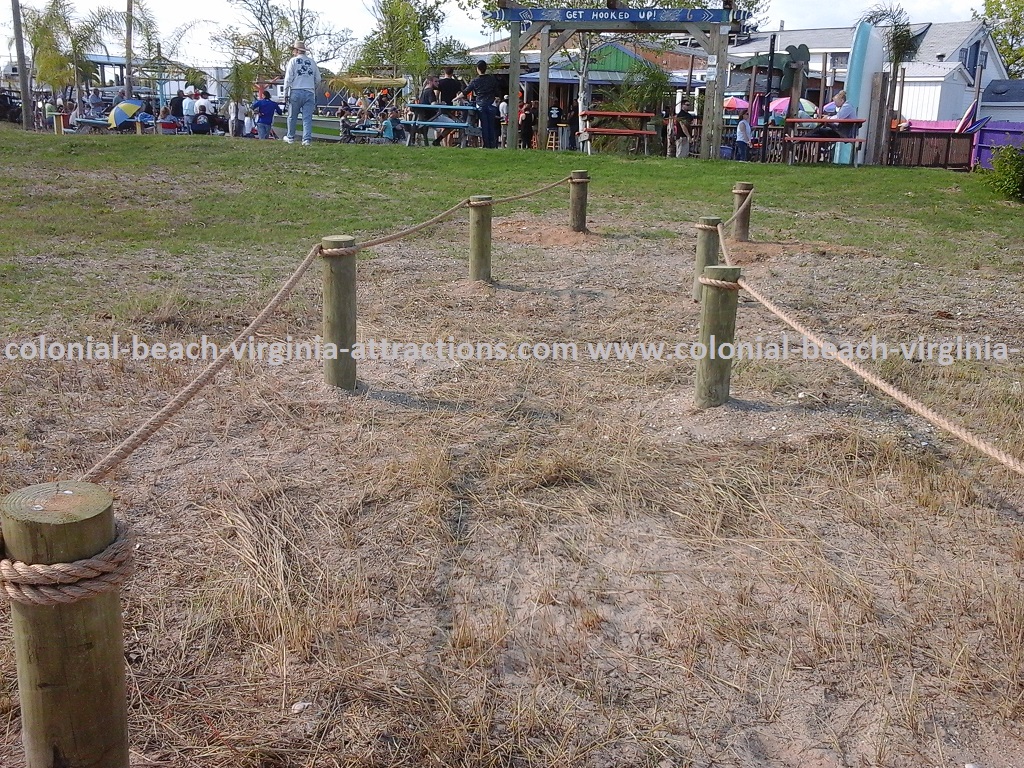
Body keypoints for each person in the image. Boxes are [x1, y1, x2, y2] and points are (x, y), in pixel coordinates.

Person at [283, 40, 322, 146]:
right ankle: (306, 139)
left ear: (296, 50)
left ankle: (290, 136)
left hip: (296, 90)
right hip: (309, 91)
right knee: (307, 117)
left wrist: (285, 93)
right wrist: (313, 87)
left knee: (292, 116)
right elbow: (318, 79)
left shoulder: (293, 61)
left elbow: (288, 79)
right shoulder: (312, 62)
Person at [461, 59, 499, 149]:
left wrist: (456, 98)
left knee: (484, 125)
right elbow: (497, 91)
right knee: (491, 125)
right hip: (491, 103)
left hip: (481, 104)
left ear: (477, 69)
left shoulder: (475, 81)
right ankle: (493, 144)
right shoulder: (492, 79)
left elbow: (465, 91)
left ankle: (486, 145)